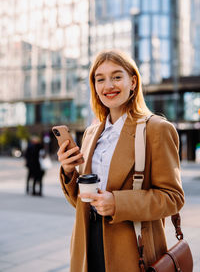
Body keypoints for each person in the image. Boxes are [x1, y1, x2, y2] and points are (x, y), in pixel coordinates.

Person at [57, 50, 184, 272]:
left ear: (133, 82)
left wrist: (118, 203)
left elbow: (173, 198)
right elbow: (81, 202)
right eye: (100, 79)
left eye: (117, 77)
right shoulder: (91, 133)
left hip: (133, 250)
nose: (108, 86)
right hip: (87, 245)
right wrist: (68, 172)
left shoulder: (157, 129)